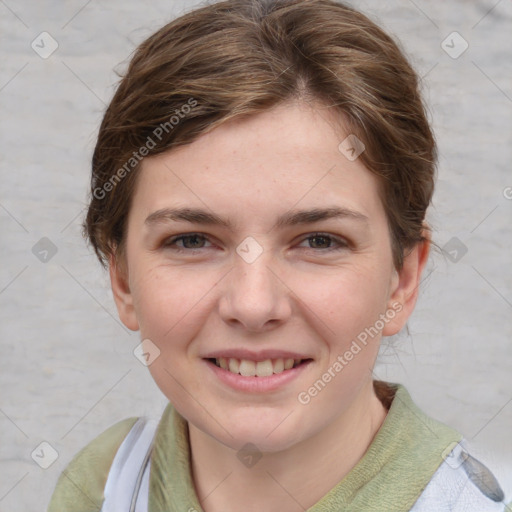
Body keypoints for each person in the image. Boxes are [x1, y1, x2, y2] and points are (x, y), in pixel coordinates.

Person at [47, 0, 510, 510]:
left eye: (319, 241)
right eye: (191, 240)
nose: (252, 304)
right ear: (123, 279)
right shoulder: (102, 486)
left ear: (402, 279)